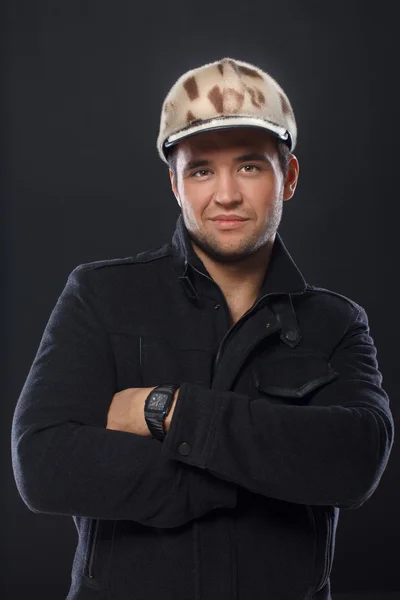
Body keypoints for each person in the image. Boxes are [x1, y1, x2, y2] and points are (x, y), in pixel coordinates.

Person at [11, 57, 394, 600]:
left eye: (250, 166)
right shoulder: (101, 297)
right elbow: (44, 464)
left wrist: (167, 411)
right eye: (201, 170)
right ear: (175, 183)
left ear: (287, 178)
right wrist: (265, 471)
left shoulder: (336, 324)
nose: (227, 195)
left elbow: (355, 461)